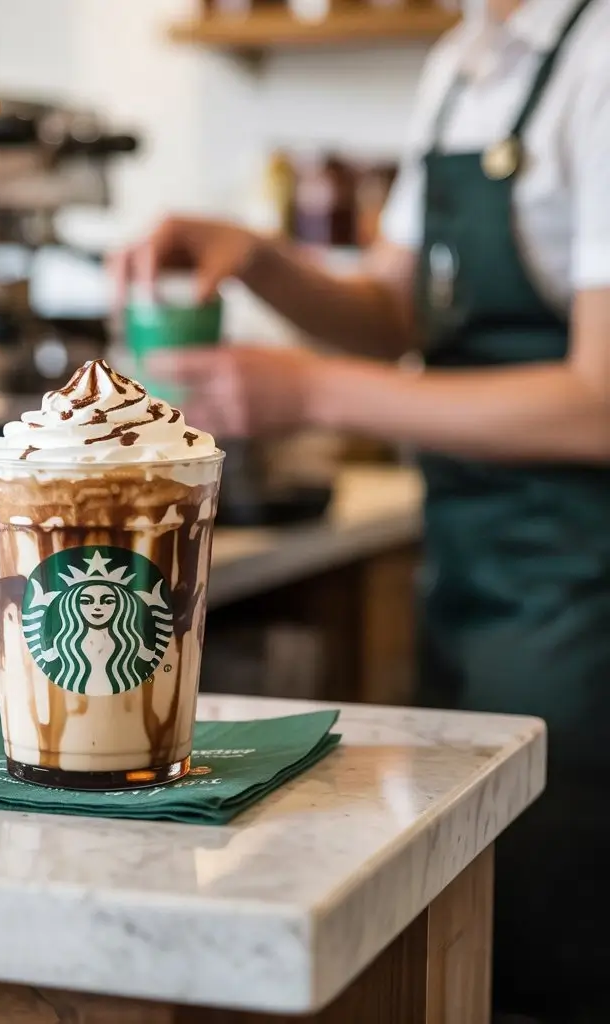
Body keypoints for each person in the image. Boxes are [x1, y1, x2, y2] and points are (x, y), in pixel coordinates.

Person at [112, 0, 610, 1020]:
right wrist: (254, 253)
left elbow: (602, 399)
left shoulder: (600, 61)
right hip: (473, 573)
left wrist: (312, 392)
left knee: (566, 931)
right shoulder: (462, 67)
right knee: (486, 919)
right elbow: (393, 313)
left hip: (586, 590)